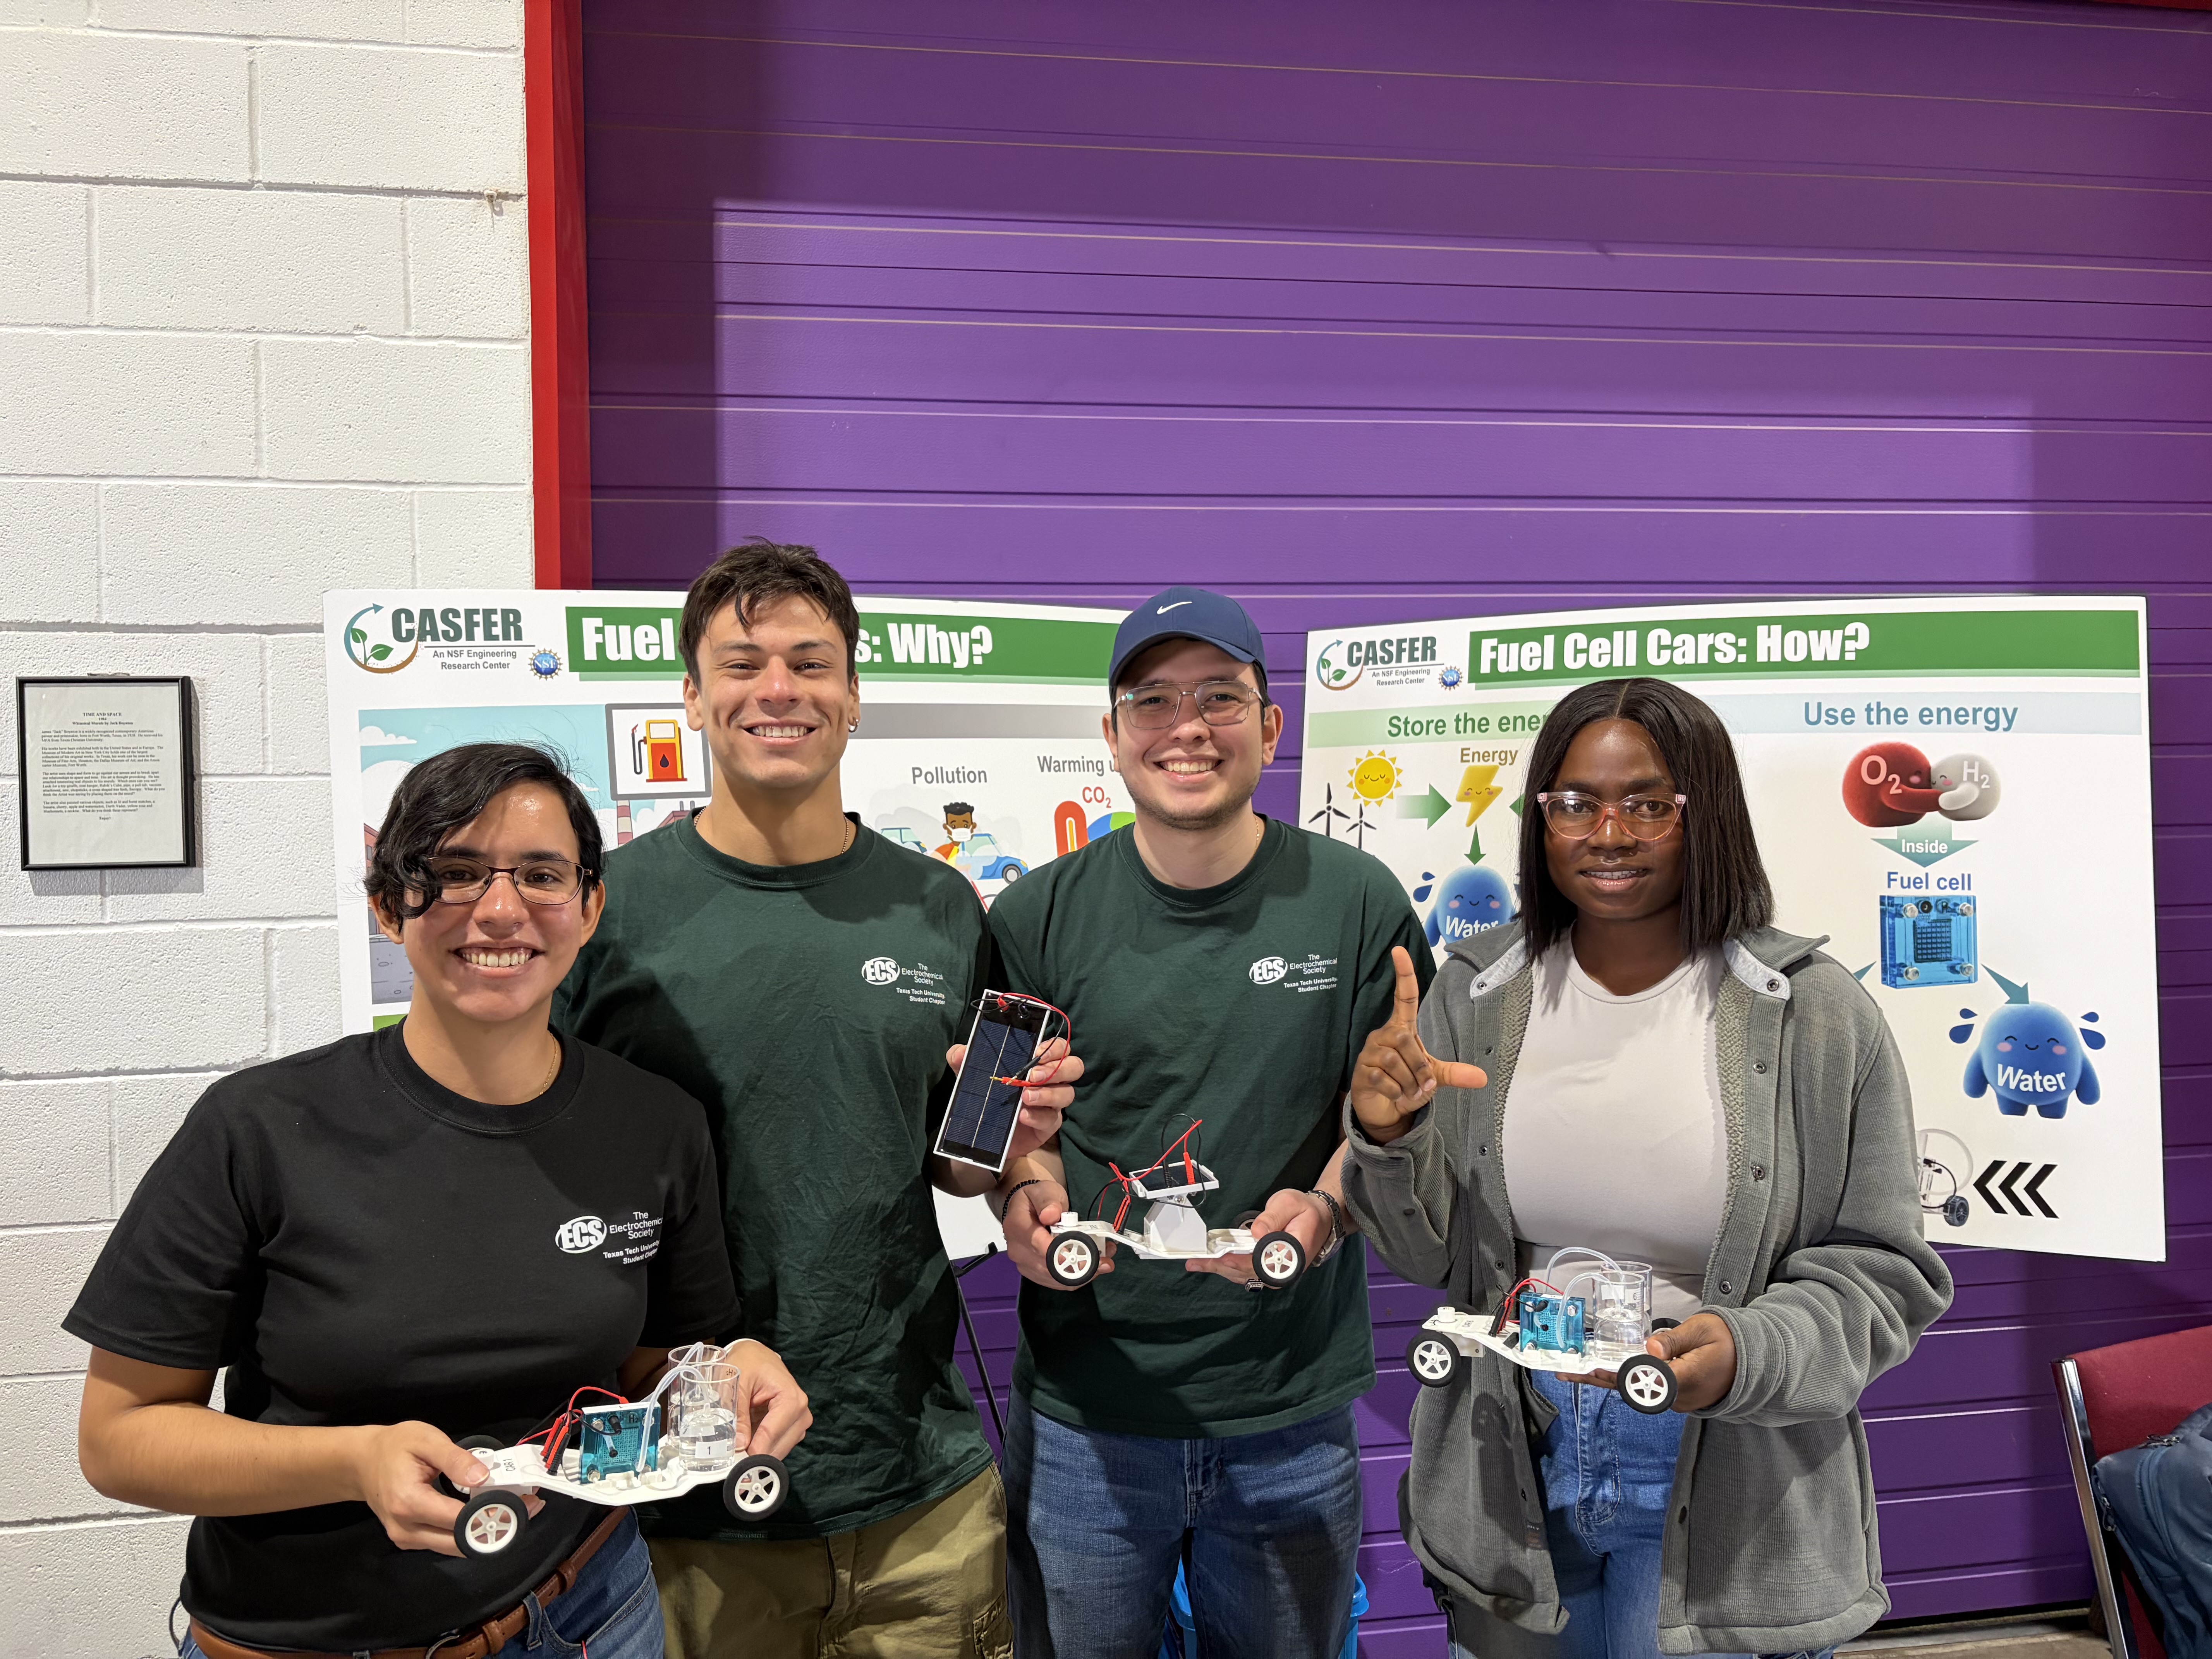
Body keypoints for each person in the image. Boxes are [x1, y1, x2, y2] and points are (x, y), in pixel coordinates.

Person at [68, 743, 807, 1659]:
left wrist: (729, 1370)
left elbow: (654, 1364)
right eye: (455, 874)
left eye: (542, 874)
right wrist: (353, 1462)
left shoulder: (655, 1125)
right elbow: (118, 1440)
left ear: (589, 906)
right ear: (389, 906)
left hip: (592, 1617)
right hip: (315, 1641)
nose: (501, 909)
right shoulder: (258, 1128)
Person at [1339, 677, 1954, 1659]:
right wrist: (1388, 1136)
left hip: (1728, 1469)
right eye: (1575, 803)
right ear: (1541, 819)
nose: (1608, 832)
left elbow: (1884, 1274)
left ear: (1705, 813)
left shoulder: (1815, 1013)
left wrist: (1751, 1353)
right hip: (1518, 1452)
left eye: (1648, 803)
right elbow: (1433, 1258)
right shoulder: (1477, 993)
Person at [554, 539, 1081, 1659]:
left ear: (854, 697)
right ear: (691, 697)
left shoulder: (937, 907)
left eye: (811, 662)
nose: (778, 689)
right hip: (681, 1497)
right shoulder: (603, 913)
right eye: (741, 664)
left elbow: (956, 1163)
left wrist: (1019, 1150)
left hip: (915, 1489)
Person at [987, 587, 1432, 1659]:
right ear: (1112, 732)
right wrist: (1026, 1197)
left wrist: (1324, 1206)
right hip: (1089, 1418)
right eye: (1153, 698)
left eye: (1220, 695)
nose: (1187, 724)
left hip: (1288, 1408)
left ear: (1271, 727)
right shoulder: (1032, 914)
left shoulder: (1358, 902)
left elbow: (1386, 1117)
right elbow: (1013, 1127)